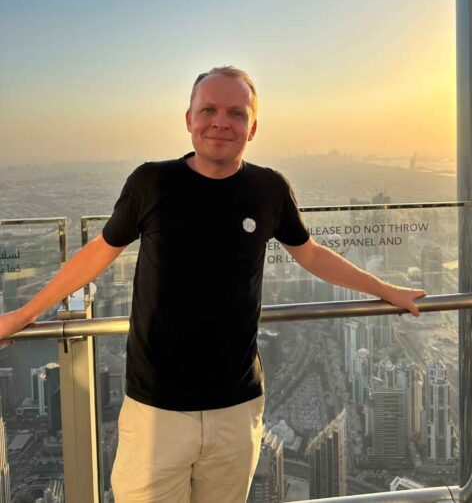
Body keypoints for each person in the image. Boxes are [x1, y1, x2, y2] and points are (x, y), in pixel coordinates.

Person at [0, 66, 426, 501]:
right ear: (188, 119)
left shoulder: (268, 188)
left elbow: (311, 253)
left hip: (235, 408)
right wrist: (23, 315)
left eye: (236, 113)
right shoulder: (152, 182)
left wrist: (386, 291)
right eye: (209, 109)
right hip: (155, 410)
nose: (221, 122)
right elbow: (97, 253)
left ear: (252, 128)